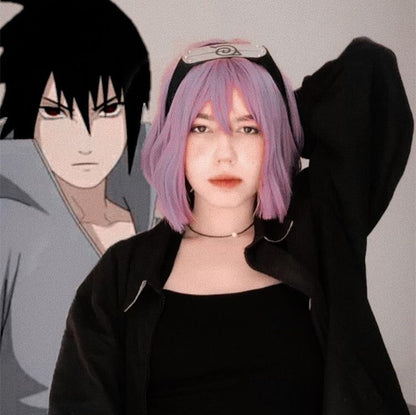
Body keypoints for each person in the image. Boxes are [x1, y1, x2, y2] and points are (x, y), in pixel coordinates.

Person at [49, 38, 413, 415]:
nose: (225, 153)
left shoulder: (317, 229)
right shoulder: (123, 274)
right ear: (175, 141)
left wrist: (280, 115)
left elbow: (371, 72)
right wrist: (257, 115)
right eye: (201, 128)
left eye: (248, 129)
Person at [0, 0, 153, 413]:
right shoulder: (8, 223)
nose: (84, 140)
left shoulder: (160, 214)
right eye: (55, 112)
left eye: (107, 109)